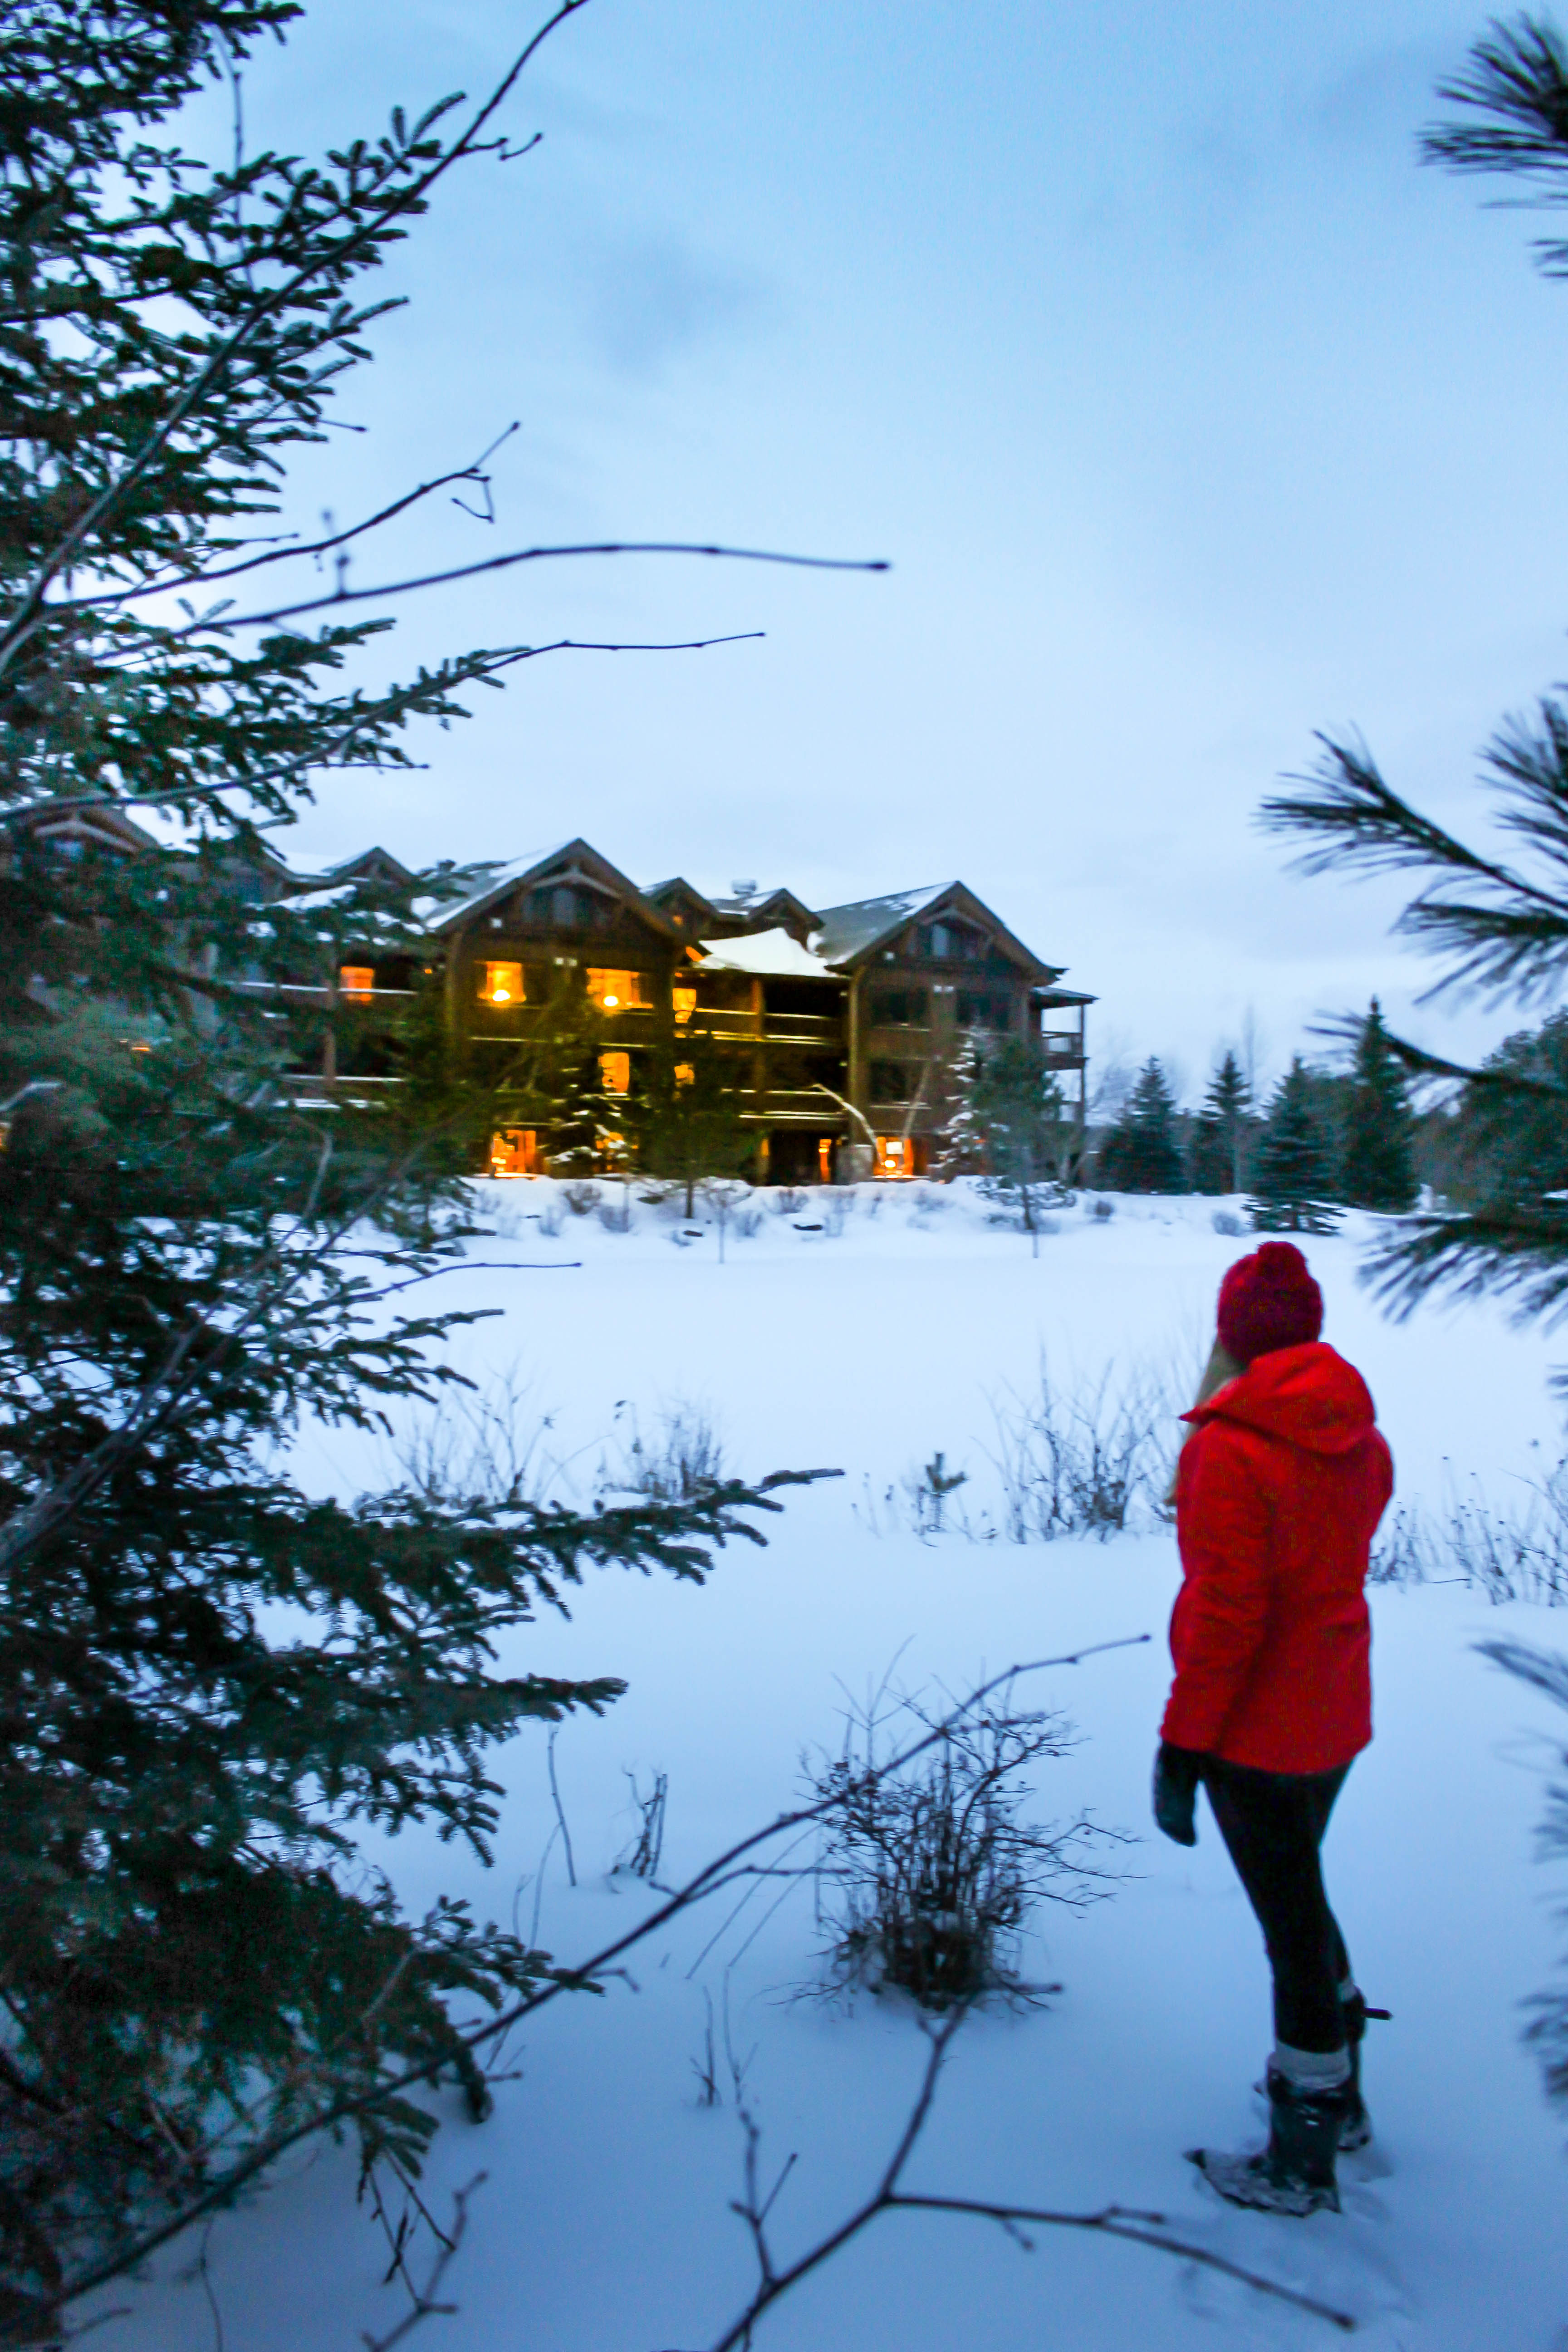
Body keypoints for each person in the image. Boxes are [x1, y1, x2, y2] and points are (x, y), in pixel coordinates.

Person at [1152, 1240, 1393, 2216]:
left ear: (1232, 1335)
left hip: (1256, 1732)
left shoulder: (1228, 1445)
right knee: (1306, 1900)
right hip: (1333, 1711)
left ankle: (1303, 2156)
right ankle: (1343, 2100)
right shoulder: (1360, 1437)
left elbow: (1227, 1617)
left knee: (1290, 1929)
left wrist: (1182, 1744)